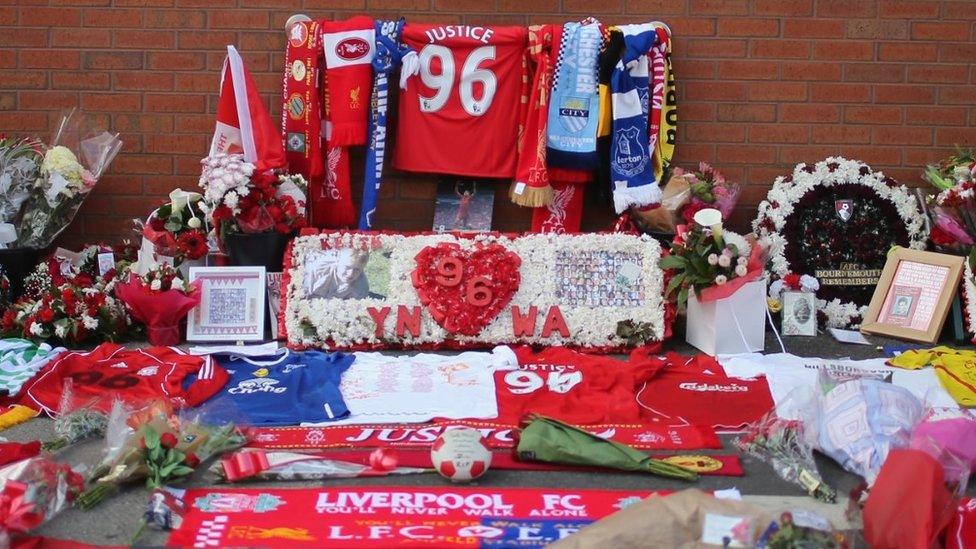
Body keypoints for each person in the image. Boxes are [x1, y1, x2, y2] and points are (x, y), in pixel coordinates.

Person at [304, 248, 370, 299]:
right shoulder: (317, 270)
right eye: (347, 267)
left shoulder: (362, 287)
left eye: (357, 269)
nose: (350, 274)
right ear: (338, 260)